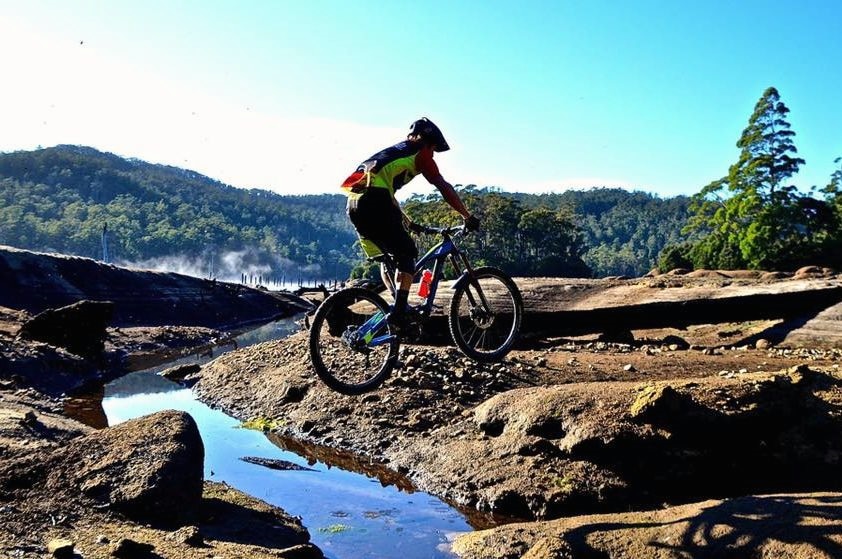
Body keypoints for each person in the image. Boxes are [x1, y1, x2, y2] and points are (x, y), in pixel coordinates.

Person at [341, 117, 479, 329]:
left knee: (387, 259)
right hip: (374, 201)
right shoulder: (420, 152)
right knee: (407, 254)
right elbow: (443, 186)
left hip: (354, 204)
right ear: (428, 142)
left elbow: (388, 195)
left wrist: (409, 222)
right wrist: (467, 216)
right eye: (434, 149)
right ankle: (399, 313)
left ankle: (396, 310)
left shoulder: (394, 152)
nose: (433, 155)